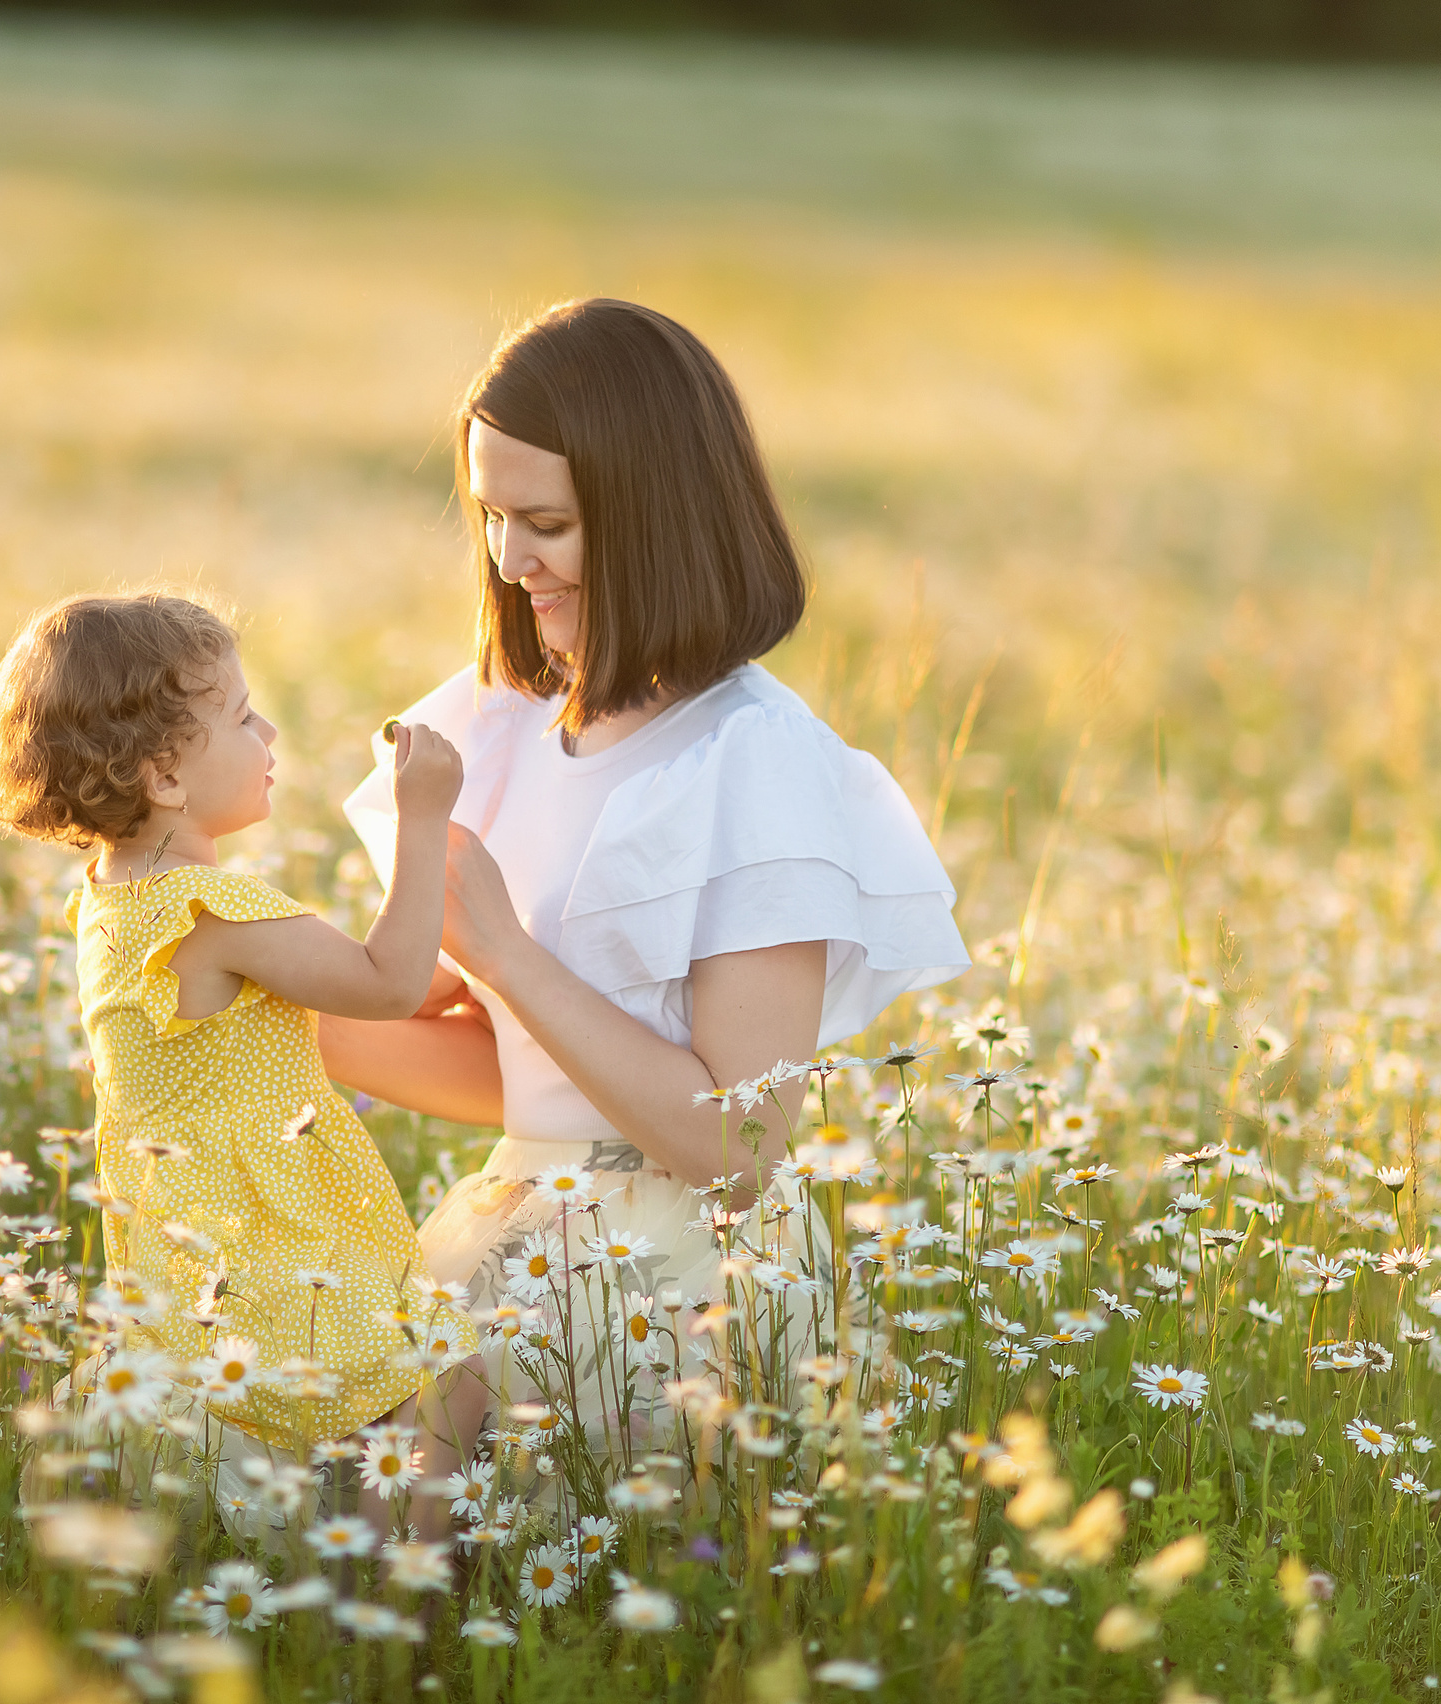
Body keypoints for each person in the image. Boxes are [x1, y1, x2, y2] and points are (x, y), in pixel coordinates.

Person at [324, 299, 969, 1445]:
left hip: (673, 1283)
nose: (508, 562)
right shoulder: (501, 726)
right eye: (489, 516)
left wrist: (507, 955)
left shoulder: (749, 761)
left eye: (547, 524)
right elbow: (532, 1085)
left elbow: (737, 1148)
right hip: (517, 1219)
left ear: (653, 517)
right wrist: (265, 1021)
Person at [0, 590, 479, 1464]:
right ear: (163, 777)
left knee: (289, 1444)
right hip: (274, 1235)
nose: (269, 734)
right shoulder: (213, 908)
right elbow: (389, 984)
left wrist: (447, 985)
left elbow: (318, 994)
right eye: (242, 718)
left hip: (193, 1236)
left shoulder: (116, 897)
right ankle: (404, 1583)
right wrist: (421, 819)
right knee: (435, 1387)